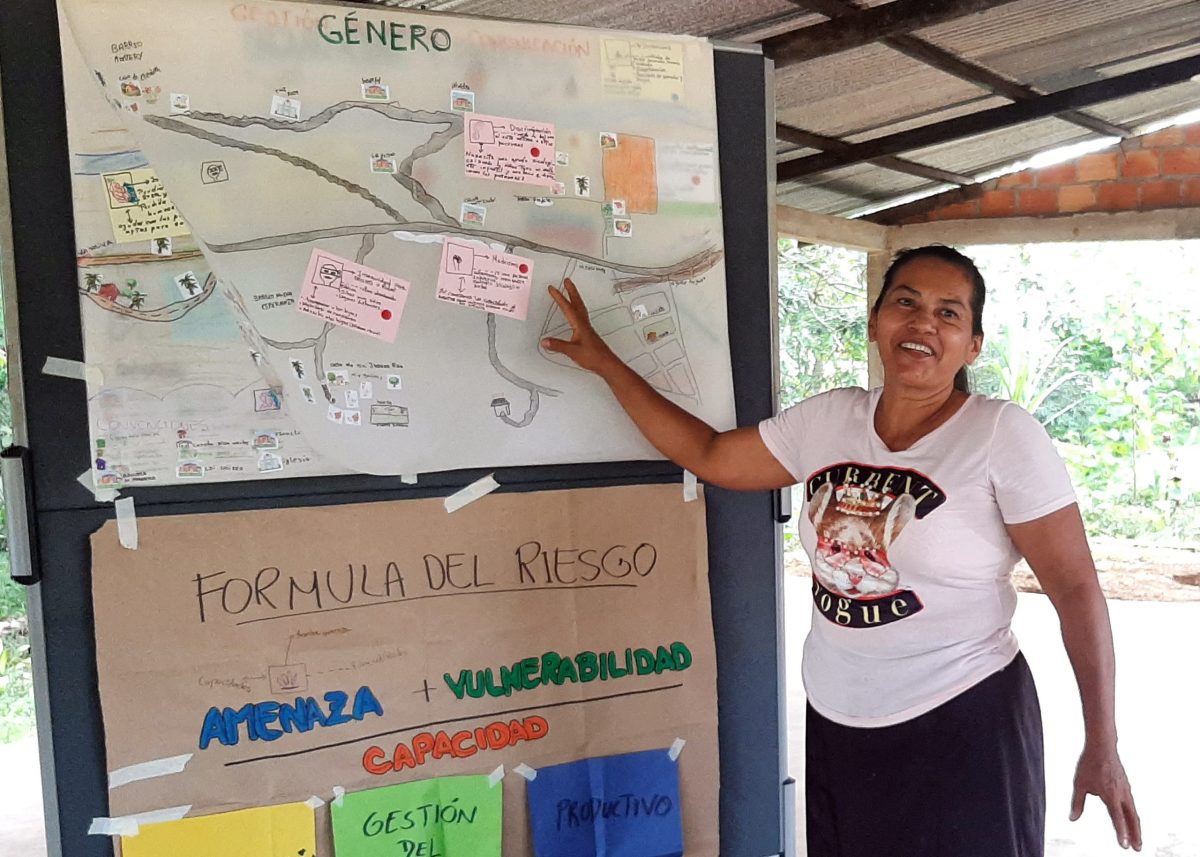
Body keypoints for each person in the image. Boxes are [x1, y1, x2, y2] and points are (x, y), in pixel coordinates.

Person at [540, 245, 1141, 856]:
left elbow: (1076, 590)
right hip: (838, 716)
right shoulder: (829, 420)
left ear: (973, 345)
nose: (923, 323)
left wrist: (1103, 742)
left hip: (964, 716)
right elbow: (712, 456)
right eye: (905, 302)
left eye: (949, 313)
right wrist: (605, 364)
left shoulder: (1000, 435)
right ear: (876, 322)